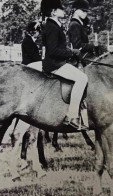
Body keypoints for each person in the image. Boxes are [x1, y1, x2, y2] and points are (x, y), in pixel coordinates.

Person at [41, 0, 88, 130]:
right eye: (60, 9)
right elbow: (53, 50)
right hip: (54, 65)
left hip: (57, 63)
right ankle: (72, 116)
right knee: (82, 78)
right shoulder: (52, 27)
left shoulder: (54, 25)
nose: (64, 11)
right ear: (53, 12)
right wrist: (71, 52)